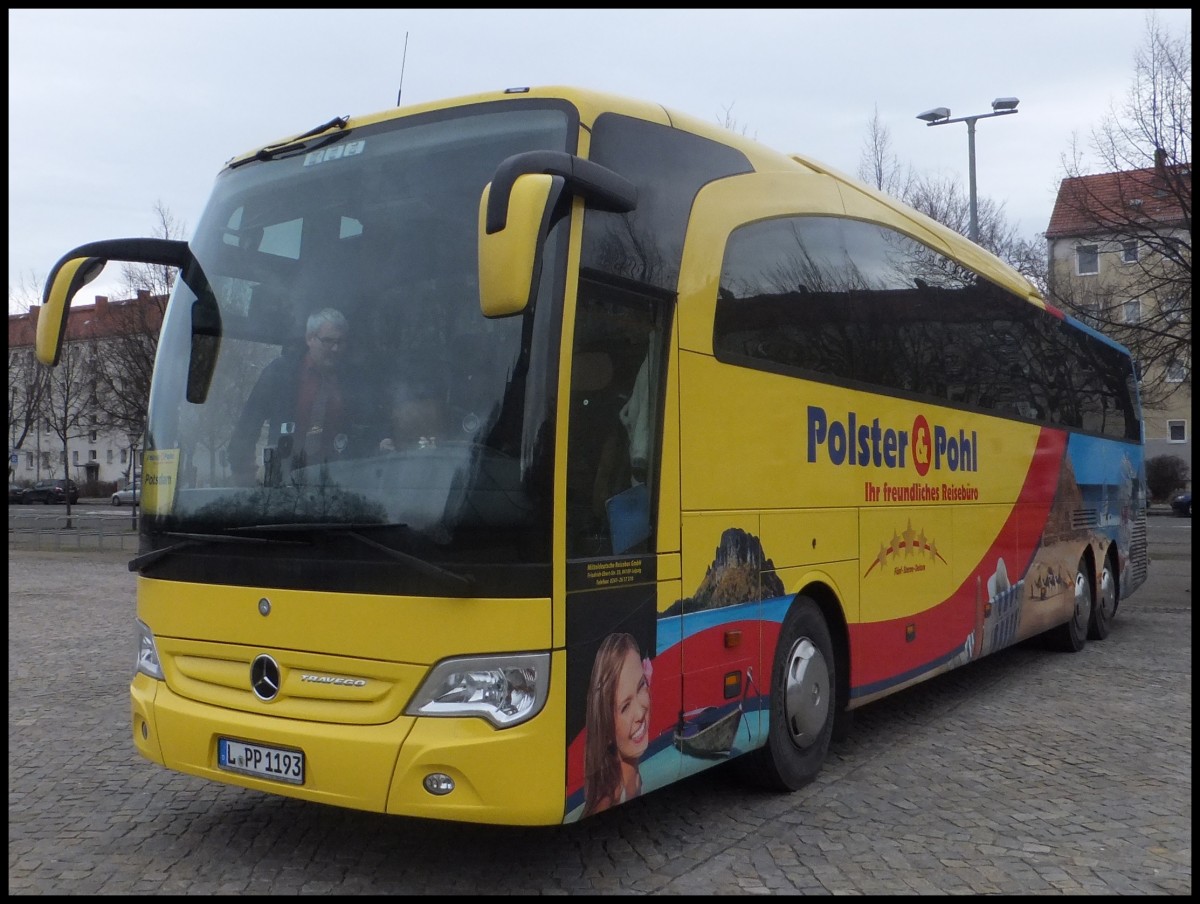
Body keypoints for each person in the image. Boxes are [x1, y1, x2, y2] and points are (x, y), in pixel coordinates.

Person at [228, 307, 361, 483]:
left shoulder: (353, 381)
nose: (335, 349)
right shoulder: (281, 373)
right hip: (282, 484)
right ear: (309, 338)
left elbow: (360, 430)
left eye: (341, 342)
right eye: (328, 341)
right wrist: (245, 472)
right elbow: (247, 426)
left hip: (335, 484)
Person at [582, 632, 652, 818]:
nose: (640, 713)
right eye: (625, 706)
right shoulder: (606, 802)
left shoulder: (635, 778)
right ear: (605, 728)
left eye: (641, 686)